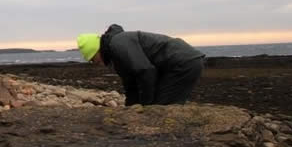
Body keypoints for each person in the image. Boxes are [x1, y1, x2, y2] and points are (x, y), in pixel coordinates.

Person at [77, 24, 205, 106]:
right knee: (159, 105)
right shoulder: (116, 52)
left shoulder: (118, 44)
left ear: (96, 50)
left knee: (159, 109)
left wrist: (145, 106)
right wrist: (130, 110)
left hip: (183, 63)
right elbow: (131, 86)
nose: (95, 63)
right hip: (180, 63)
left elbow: (146, 71)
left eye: (93, 59)